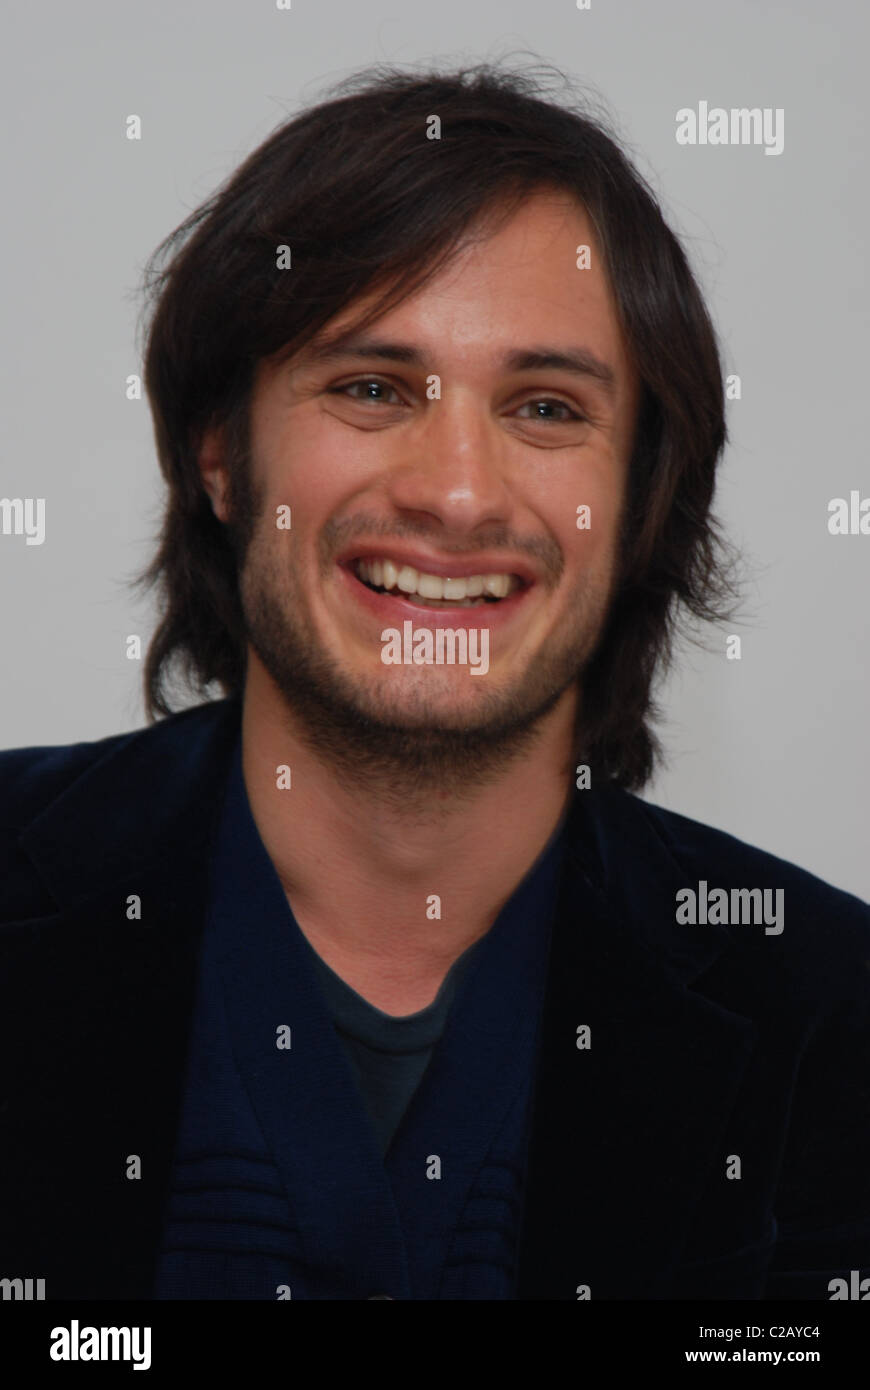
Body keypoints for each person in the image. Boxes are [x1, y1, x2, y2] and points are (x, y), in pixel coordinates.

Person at [1, 62, 868, 1302]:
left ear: (636, 507)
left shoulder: (832, 1013)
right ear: (220, 455)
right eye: (370, 387)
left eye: (546, 407)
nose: (457, 490)